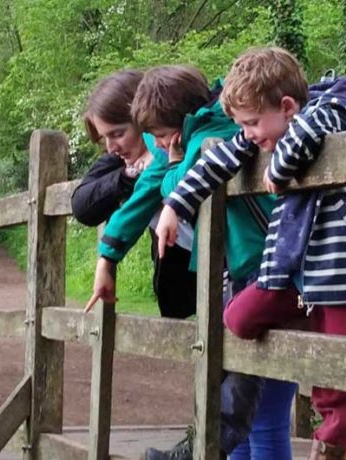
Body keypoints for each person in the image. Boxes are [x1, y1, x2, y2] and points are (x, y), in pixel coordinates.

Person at [153, 48, 346, 460]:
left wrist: (278, 169)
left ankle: (336, 445)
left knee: (337, 375)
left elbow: (305, 134)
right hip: (294, 272)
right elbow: (218, 160)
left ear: (286, 106)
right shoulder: (264, 133)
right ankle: (300, 316)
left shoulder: (332, 108)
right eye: (242, 125)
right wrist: (175, 206)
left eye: (251, 123)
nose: (247, 134)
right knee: (236, 319)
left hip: (341, 273)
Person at [129, 64, 291, 460]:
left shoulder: (213, 137)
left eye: (164, 137)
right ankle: (203, 444)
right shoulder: (232, 136)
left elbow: (176, 183)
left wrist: (171, 165)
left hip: (267, 270)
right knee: (242, 400)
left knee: (264, 417)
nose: (249, 131)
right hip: (246, 273)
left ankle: (202, 446)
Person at [71, 70, 197, 319]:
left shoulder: (171, 151)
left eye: (118, 134)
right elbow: (82, 205)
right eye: (105, 137)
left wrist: (106, 259)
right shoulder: (122, 159)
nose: (111, 148)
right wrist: (127, 178)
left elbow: (142, 199)